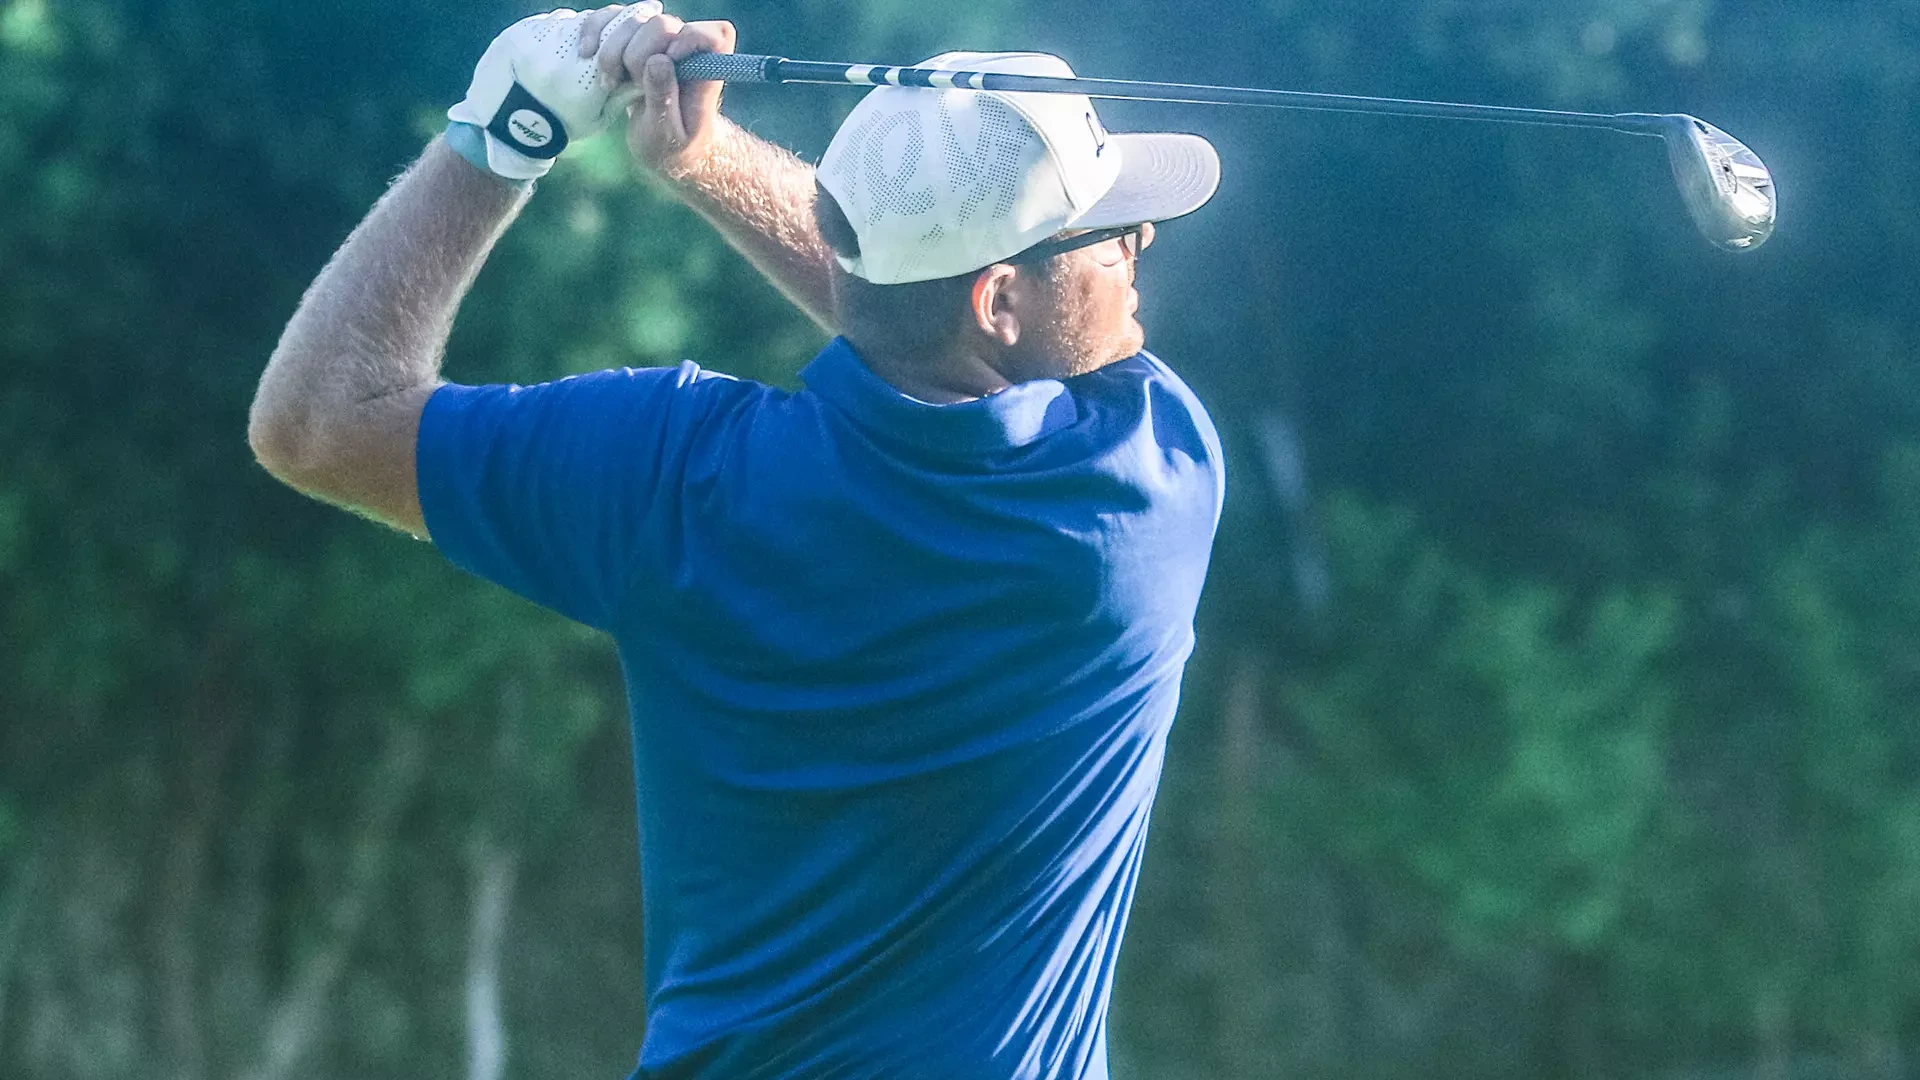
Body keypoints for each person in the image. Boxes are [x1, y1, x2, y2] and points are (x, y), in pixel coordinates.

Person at [248, 4, 1225, 1077]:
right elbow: (917, 342)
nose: (1139, 249)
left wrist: (500, 136)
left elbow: (319, 422)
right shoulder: (1145, 484)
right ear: (999, 298)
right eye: (1106, 237)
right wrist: (705, 162)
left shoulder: (670, 474)